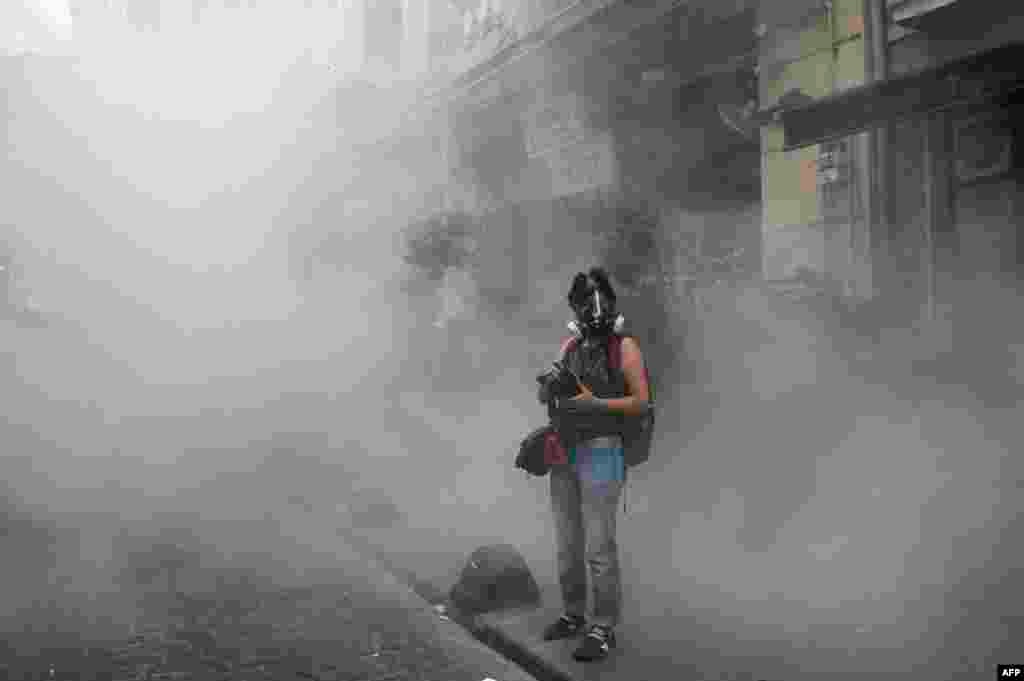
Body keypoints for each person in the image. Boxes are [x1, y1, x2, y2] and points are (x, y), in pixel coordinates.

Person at [539, 266, 650, 662]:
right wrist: (550, 388)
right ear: (576, 308)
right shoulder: (570, 347)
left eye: (601, 300)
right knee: (568, 542)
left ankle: (603, 628)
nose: (596, 310)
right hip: (566, 451)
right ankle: (573, 614)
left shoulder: (625, 348)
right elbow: (553, 388)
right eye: (587, 302)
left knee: (599, 545)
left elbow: (641, 401)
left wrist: (596, 404)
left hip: (603, 449)